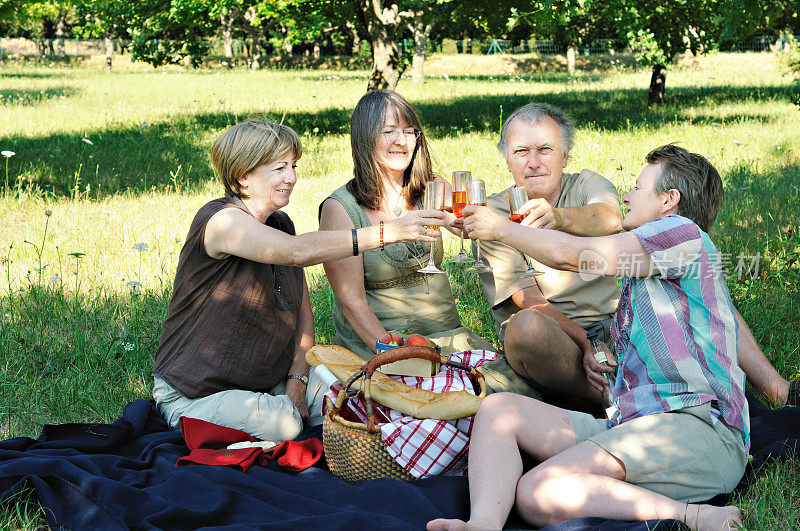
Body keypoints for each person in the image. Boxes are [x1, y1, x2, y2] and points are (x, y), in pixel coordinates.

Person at [429, 145, 749, 531]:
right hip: (638, 423)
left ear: (669, 200)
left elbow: (576, 256)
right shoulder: (649, 266)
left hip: (699, 431)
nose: (627, 196)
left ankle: (694, 516)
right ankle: (481, 525)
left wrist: (501, 228)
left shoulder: (681, 234)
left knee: (538, 493)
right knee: (499, 411)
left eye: (638, 187)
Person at [476, 102, 797, 408]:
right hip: (555, 337)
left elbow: (608, 216)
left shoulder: (588, 183)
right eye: (521, 151)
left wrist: (557, 217)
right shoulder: (492, 213)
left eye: (544, 149)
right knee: (526, 328)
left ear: (565, 155)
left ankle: (778, 391)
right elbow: (527, 299)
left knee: (700, 291)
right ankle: (618, 403)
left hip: (618, 326)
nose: (533, 162)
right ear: (507, 159)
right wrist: (586, 342)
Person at [152, 119, 446, 441]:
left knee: (354, 399)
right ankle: (203, 415)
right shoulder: (222, 222)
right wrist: (389, 232)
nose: (292, 178)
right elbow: (296, 252)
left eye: (293, 166)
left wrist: (297, 380)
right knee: (287, 423)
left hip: (264, 381)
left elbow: (303, 315)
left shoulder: (280, 223)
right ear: (243, 177)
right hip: (194, 392)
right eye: (279, 168)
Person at [319, 90, 536, 395]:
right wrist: (400, 357)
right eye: (389, 131)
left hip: (450, 338)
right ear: (365, 138)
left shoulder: (430, 188)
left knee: (518, 397)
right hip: (384, 346)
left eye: (409, 131)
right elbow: (351, 302)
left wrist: (468, 225)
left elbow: (472, 225)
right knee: (454, 412)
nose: (402, 141)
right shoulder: (341, 209)